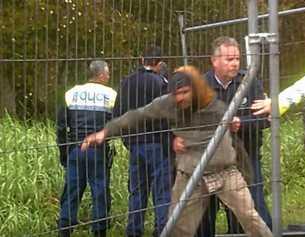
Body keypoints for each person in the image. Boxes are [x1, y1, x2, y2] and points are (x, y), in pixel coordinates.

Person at [81, 65, 273, 237]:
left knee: (250, 217)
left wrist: (244, 168)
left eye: (184, 92)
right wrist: (105, 132)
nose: (180, 98)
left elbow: (234, 140)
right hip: (190, 175)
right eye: (176, 93)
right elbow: (136, 116)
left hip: (223, 171)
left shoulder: (212, 105)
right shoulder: (168, 103)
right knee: (178, 226)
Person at [193, 36, 272, 236]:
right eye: (229, 59)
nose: (235, 63)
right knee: (204, 215)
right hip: (210, 161)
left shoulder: (250, 82)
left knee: (250, 211)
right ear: (214, 61)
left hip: (246, 157)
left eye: (237, 58)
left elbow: (264, 120)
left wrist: (240, 124)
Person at [113, 46, 173, 237]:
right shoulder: (162, 83)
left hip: (135, 144)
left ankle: (134, 230)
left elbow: (118, 113)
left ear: (141, 59)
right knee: (161, 193)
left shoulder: (126, 82)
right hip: (158, 144)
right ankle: (161, 230)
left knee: (137, 191)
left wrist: (127, 139)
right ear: (159, 62)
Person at [56, 61, 117, 237]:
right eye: (108, 73)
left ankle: (64, 229)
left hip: (75, 149)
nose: (109, 76)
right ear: (101, 75)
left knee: (72, 191)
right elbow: (116, 123)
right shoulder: (111, 95)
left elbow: (61, 127)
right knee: (100, 191)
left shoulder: (71, 93)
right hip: (98, 150)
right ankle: (99, 230)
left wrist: (64, 153)